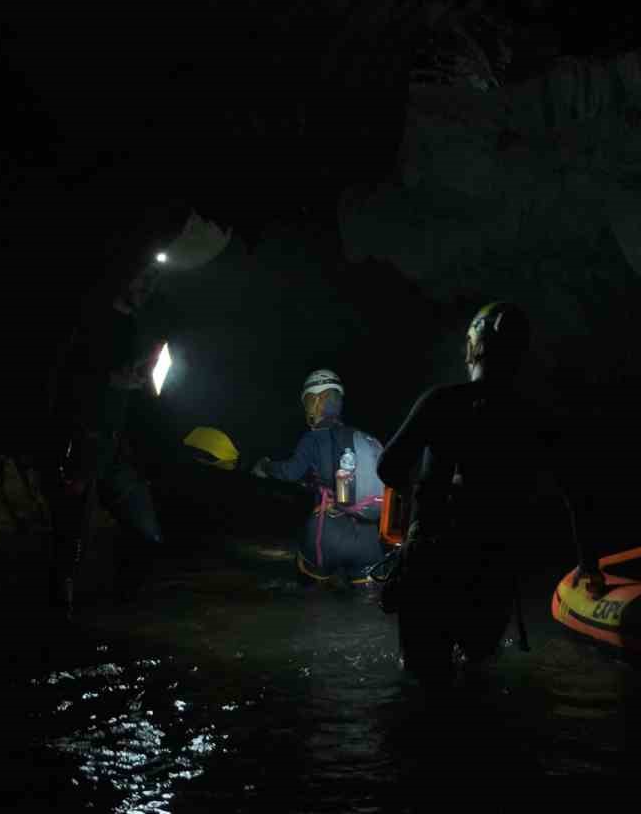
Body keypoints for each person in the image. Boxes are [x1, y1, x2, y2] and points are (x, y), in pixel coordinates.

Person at [376, 301, 605, 688]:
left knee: (421, 686)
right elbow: (577, 494)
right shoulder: (536, 418)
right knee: (477, 680)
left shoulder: (441, 401)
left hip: (432, 563)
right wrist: (589, 564)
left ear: (473, 346)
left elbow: (388, 468)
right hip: (492, 570)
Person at [46, 208, 230, 615]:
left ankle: (122, 608)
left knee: (146, 532)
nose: (147, 285)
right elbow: (70, 377)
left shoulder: (135, 324)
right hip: (82, 443)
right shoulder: (92, 317)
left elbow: (135, 386)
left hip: (114, 447)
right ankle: (61, 611)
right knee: (70, 537)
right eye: (143, 277)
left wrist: (145, 378)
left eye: (153, 280)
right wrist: (112, 379)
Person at [252, 369, 387, 585]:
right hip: (368, 541)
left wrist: (265, 466)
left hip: (327, 536)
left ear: (315, 402)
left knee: (312, 597)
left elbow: (290, 472)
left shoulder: (314, 438)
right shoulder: (362, 439)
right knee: (369, 604)